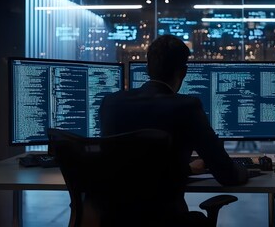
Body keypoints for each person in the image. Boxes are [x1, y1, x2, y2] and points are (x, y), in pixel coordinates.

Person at [99, 34, 248, 225]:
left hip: (115, 220)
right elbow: (227, 176)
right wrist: (247, 168)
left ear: (147, 68)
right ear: (183, 72)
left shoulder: (110, 103)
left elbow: (137, 166)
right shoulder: (187, 107)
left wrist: (185, 169)